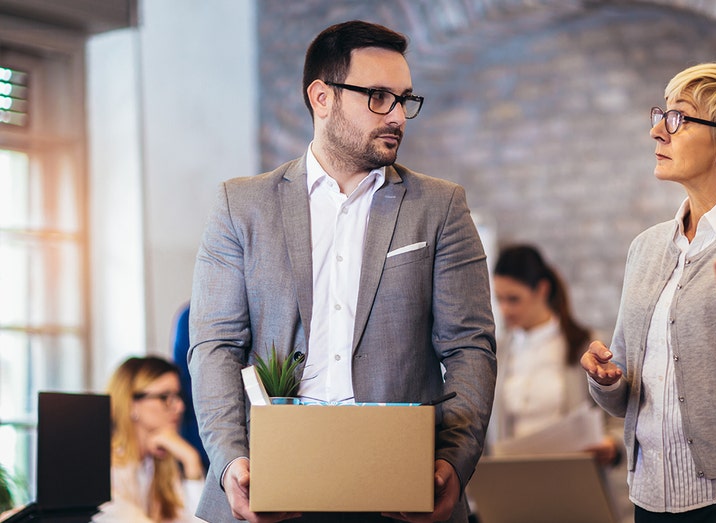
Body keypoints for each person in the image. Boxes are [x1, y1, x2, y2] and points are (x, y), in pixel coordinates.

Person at [188, 20, 497, 523]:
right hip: (273, 481)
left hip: (399, 486)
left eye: (404, 99)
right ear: (322, 97)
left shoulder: (440, 207)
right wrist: (230, 462)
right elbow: (215, 346)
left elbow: (470, 348)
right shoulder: (240, 205)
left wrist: (452, 461)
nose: (397, 114)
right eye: (378, 96)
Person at [581, 62, 716, 522]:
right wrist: (605, 379)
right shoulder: (645, 247)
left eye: (679, 118)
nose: (658, 132)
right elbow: (624, 391)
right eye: (661, 115)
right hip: (651, 497)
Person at [489, 244, 620, 466]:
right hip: (513, 476)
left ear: (541, 290)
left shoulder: (585, 345)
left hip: (572, 476)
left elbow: (617, 412)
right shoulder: (497, 352)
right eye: (499, 299)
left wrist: (613, 445)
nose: (504, 310)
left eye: (513, 299)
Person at [94, 356, 205, 523]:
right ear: (131, 404)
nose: (180, 406)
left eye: (178, 396)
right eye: (165, 397)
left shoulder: (160, 464)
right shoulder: (102, 469)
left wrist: (191, 461)